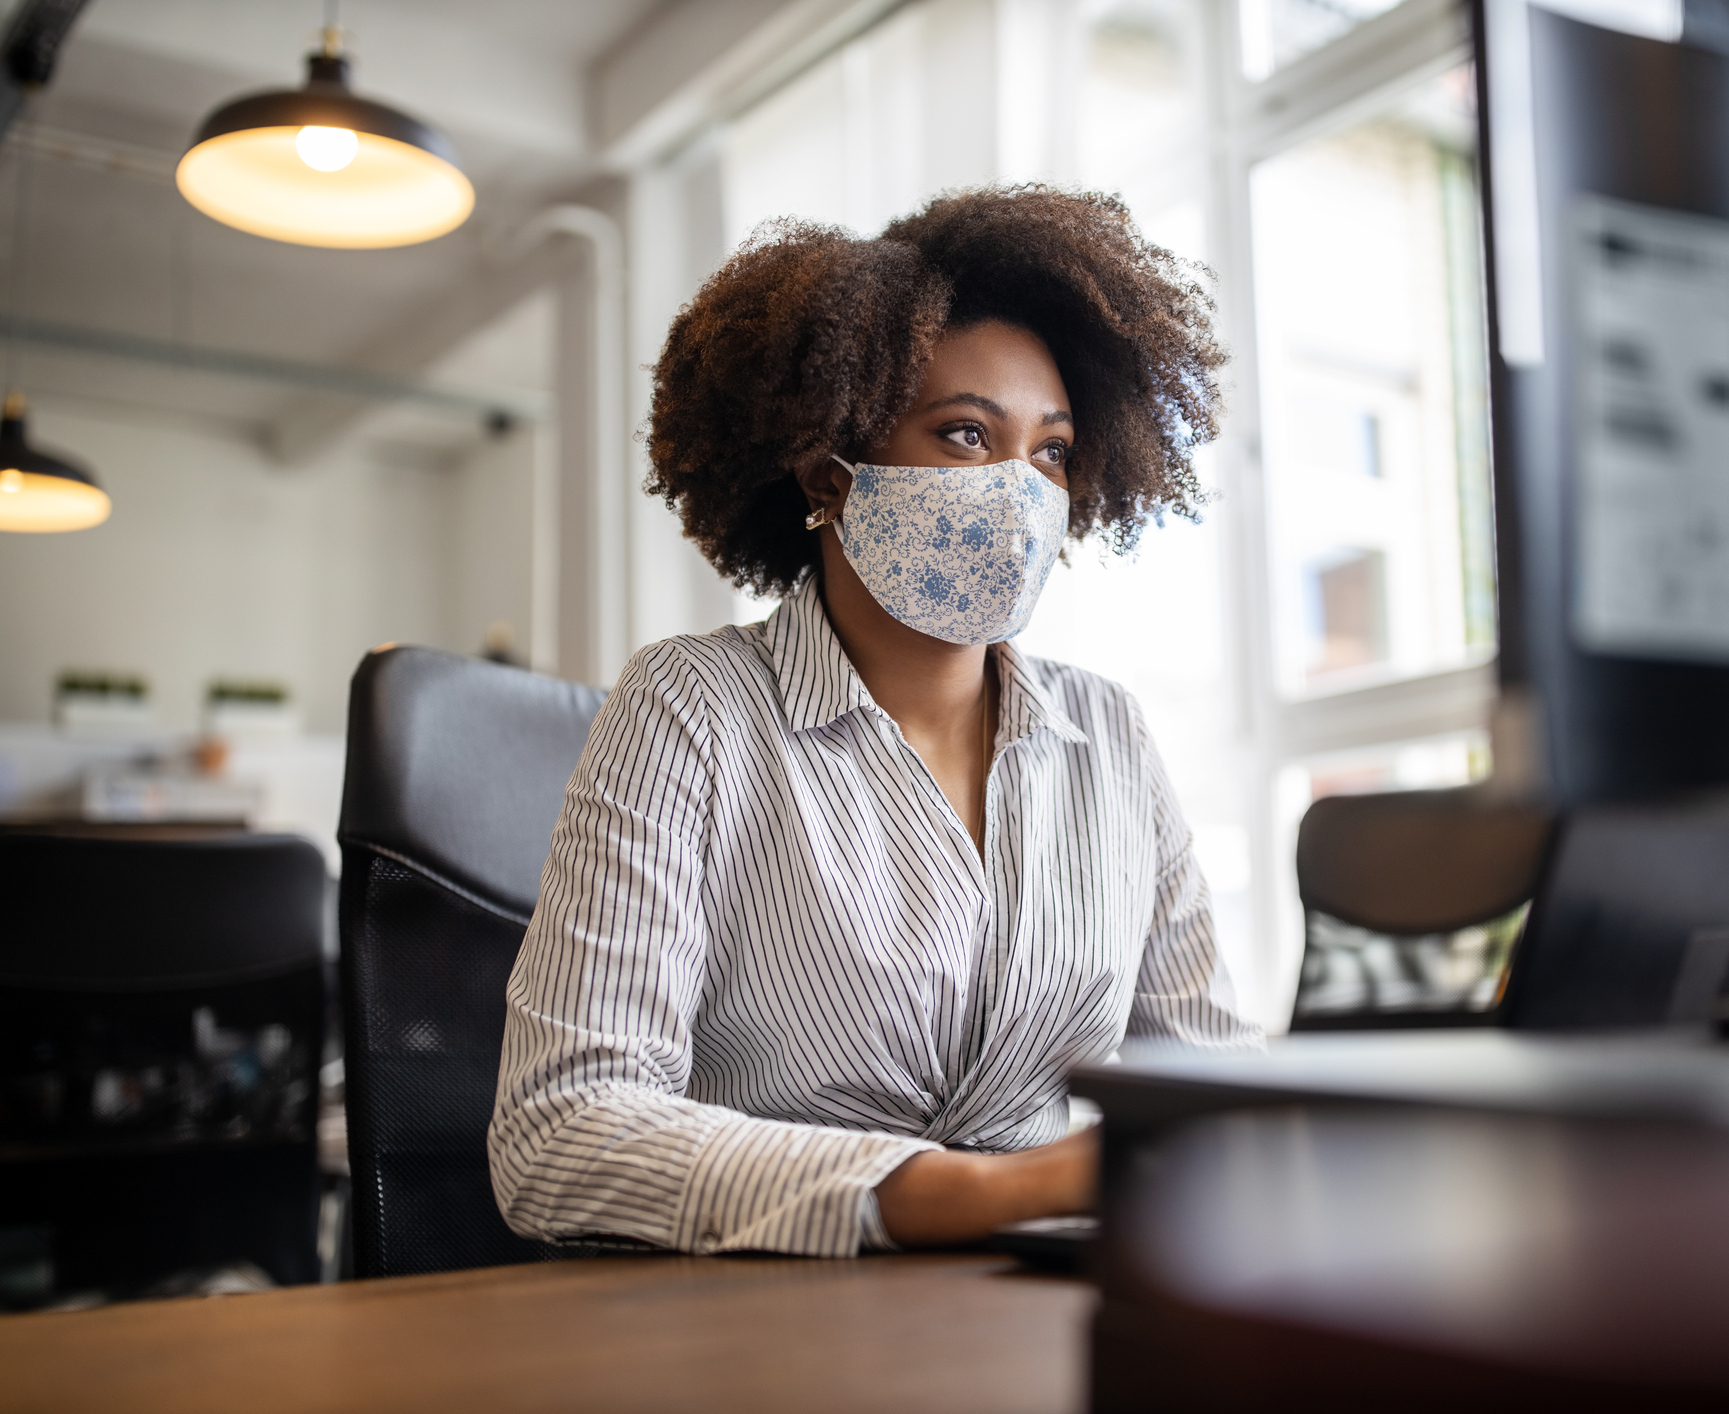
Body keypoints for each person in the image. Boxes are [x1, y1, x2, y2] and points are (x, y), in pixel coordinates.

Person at [488, 185, 1260, 1258]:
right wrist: (984, 1192)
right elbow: (559, 1133)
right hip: (764, 1323)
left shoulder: (1109, 736)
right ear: (826, 470)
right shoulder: (692, 708)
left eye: (1049, 453)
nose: (1018, 492)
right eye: (963, 434)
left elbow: (1216, 1086)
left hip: (1042, 1311)